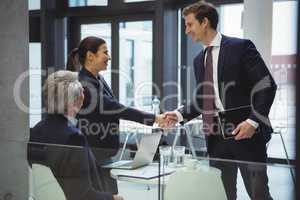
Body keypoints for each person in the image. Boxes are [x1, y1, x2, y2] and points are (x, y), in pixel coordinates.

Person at [164, 1, 277, 200]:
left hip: (246, 133)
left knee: (258, 194)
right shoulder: (199, 59)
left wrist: (253, 121)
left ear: (204, 22)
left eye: (189, 24)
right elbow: (203, 99)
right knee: (223, 195)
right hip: (216, 138)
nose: (186, 30)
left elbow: (267, 86)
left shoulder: (240, 47)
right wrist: (179, 114)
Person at [67, 36, 168, 194]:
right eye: (105, 52)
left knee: (111, 193)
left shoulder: (97, 78)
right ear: (90, 56)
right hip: (94, 153)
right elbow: (114, 107)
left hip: (101, 153)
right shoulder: (85, 83)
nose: (109, 57)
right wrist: (154, 118)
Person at [28, 70, 124, 200]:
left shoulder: (36, 131)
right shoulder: (73, 137)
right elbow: (82, 195)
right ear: (77, 101)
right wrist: (112, 198)